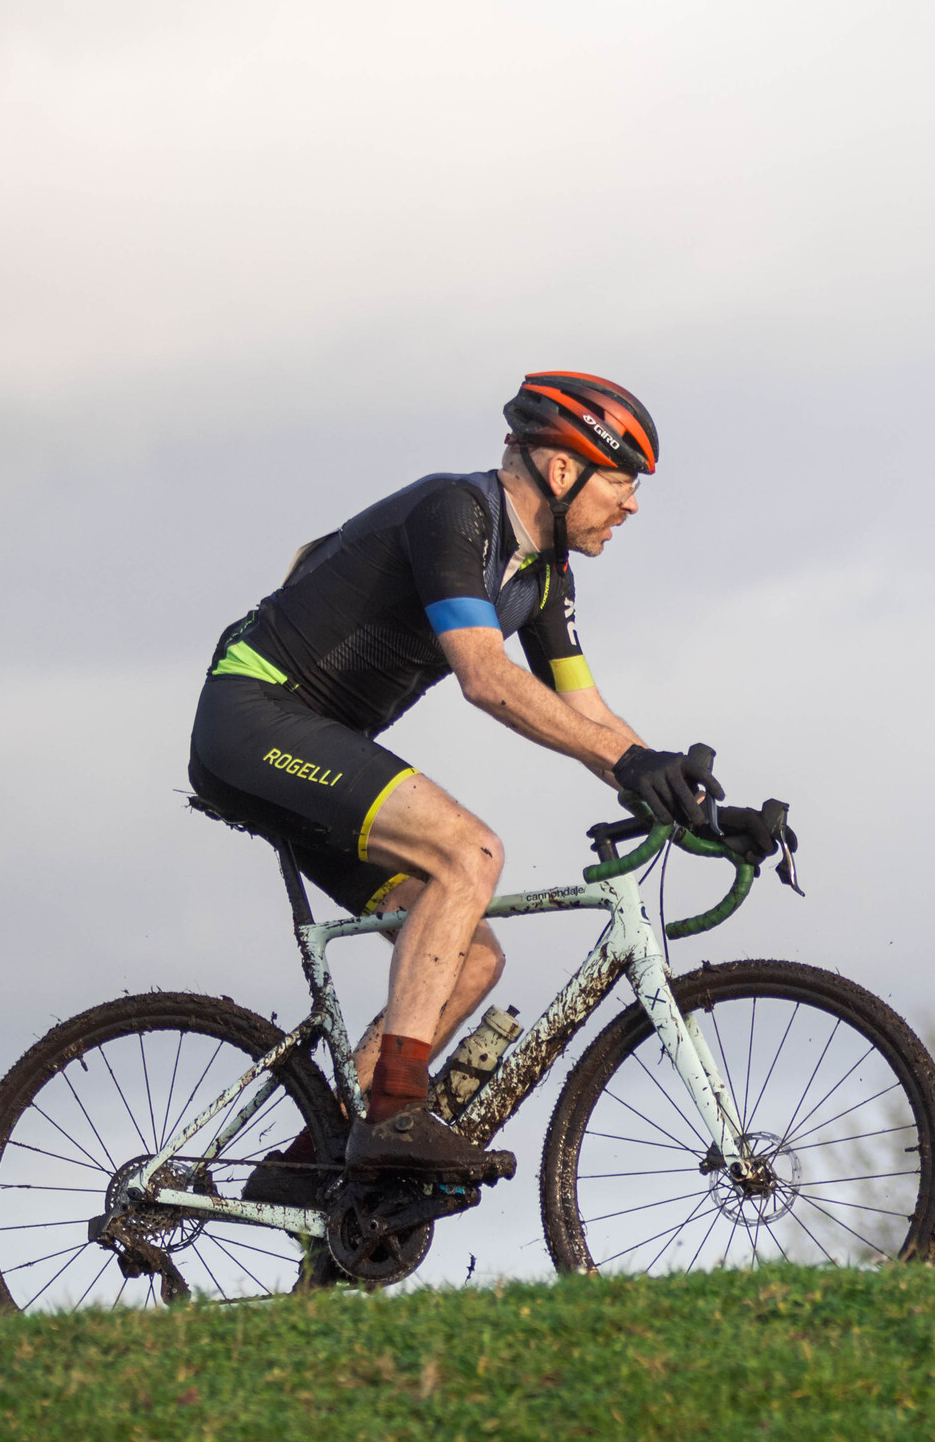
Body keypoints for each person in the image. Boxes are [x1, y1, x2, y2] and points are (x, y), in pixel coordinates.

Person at [188, 373, 720, 1174]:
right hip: (254, 719)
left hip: (313, 750)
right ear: (564, 471)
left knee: (472, 958)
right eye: (622, 482)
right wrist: (626, 763)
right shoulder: (456, 513)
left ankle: (320, 1176)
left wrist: (698, 807)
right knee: (469, 853)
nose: (633, 506)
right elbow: (483, 674)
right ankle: (395, 1117)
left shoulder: (541, 574)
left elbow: (592, 716)